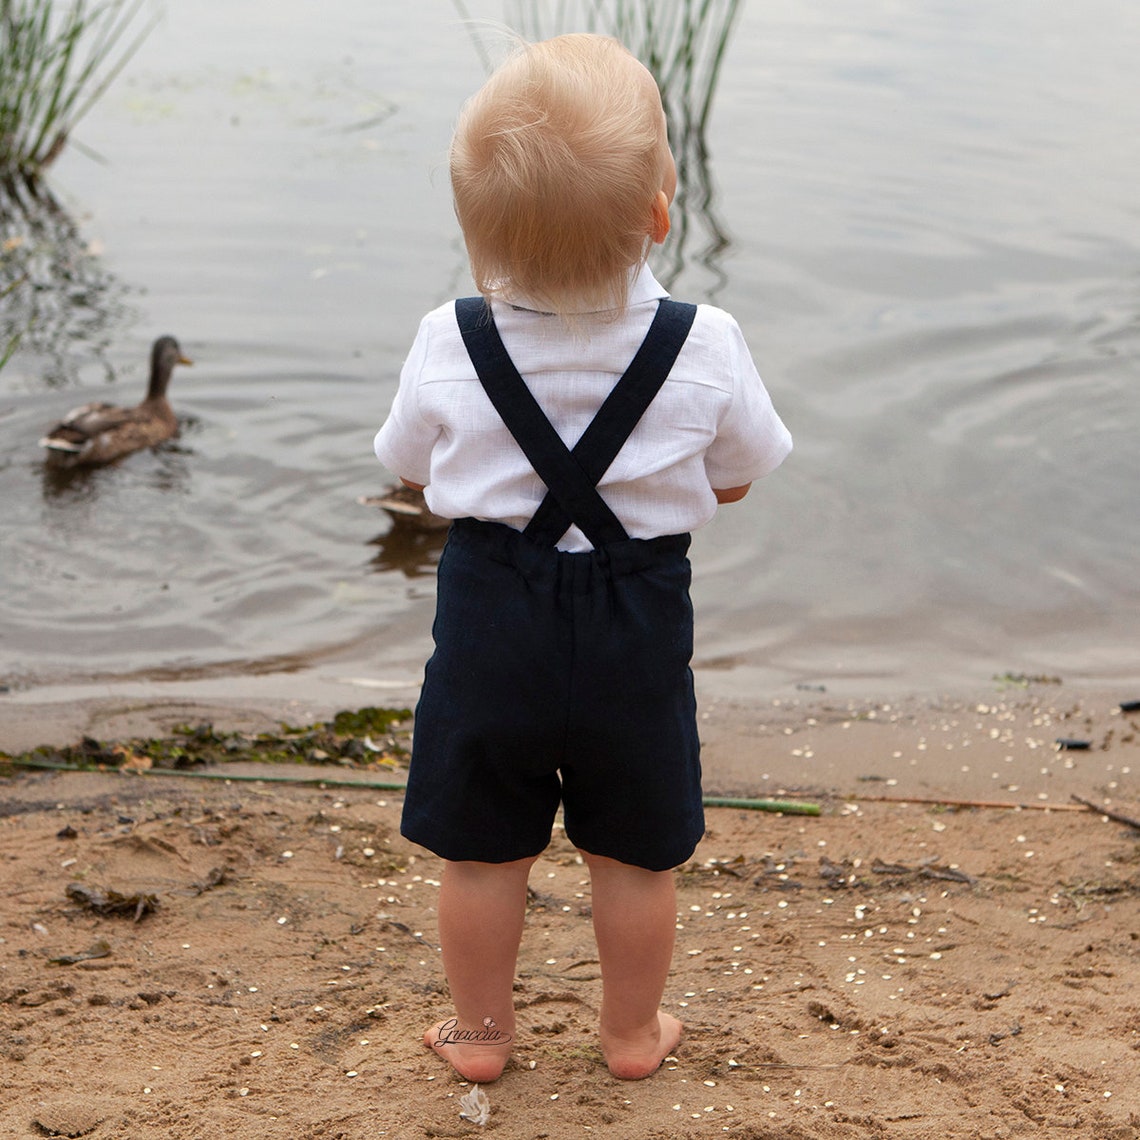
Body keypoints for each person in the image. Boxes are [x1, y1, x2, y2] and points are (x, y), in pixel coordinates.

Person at [374, 32, 791, 1083]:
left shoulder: (446, 338)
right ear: (659, 210)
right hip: (637, 621)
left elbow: (412, 472)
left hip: (488, 616)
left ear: (474, 229)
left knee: (483, 850)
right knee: (635, 851)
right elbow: (738, 476)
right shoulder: (704, 344)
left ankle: (479, 1039)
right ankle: (630, 1037)